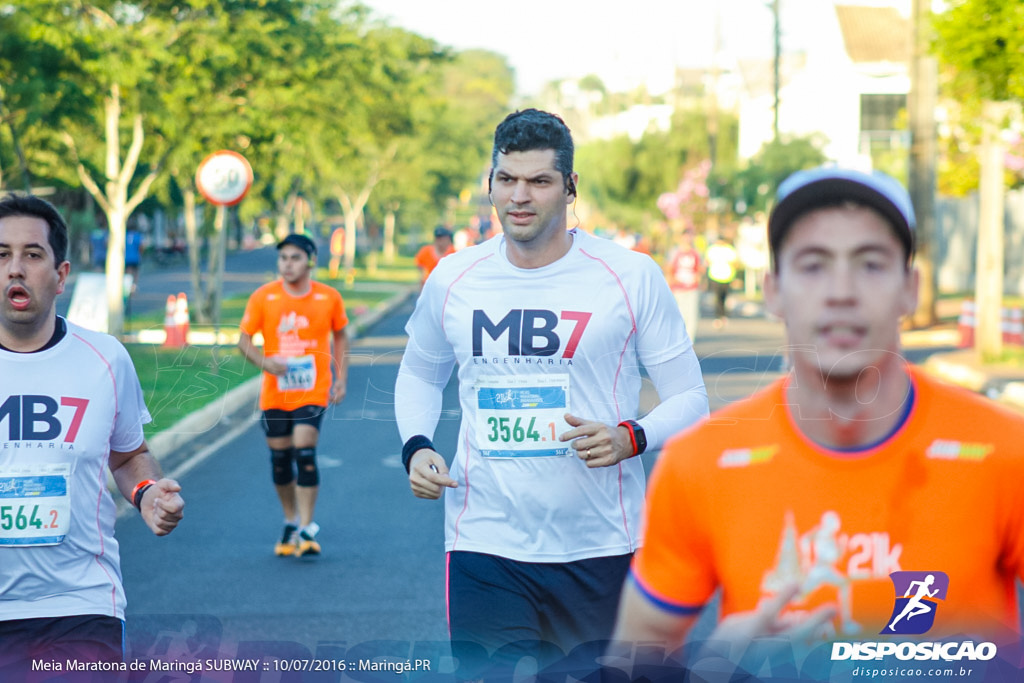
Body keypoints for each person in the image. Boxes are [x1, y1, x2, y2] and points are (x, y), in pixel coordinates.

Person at [612, 167, 1024, 669]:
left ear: (911, 289)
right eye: (812, 265)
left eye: (871, 264)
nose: (841, 291)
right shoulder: (699, 465)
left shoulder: (1005, 450)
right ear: (773, 291)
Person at [394, 109, 709, 677]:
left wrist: (630, 436)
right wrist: (416, 446)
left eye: (539, 181)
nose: (520, 196)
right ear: (489, 183)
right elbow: (420, 372)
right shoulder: (454, 277)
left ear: (570, 188)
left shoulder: (629, 274)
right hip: (484, 542)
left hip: (602, 546)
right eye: (507, 179)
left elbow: (691, 399)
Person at [0, 194, 185, 672]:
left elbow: (127, 457)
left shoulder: (103, 359)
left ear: (61, 276)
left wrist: (147, 494)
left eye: (31, 254)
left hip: (80, 604)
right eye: (1, 255)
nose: (15, 268)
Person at [238, 233, 349, 558]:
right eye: (283, 258)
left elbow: (341, 336)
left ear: (310, 261)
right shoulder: (264, 297)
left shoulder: (328, 298)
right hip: (276, 393)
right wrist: (265, 362)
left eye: (295, 258)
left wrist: (340, 379)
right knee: (281, 462)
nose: (288, 264)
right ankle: (289, 519)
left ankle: (306, 526)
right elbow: (243, 339)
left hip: (313, 389)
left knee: (305, 452)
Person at [665, 230, 703, 342]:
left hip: (692, 288)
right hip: (677, 288)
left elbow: (700, 269)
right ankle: (678, 339)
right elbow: (669, 268)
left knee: (691, 314)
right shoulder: (674, 252)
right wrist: (671, 281)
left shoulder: (696, 253)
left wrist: (698, 278)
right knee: (679, 314)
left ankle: (690, 341)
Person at [704, 233, 738, 327]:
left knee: (724, 297)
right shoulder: (712, 249)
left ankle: (723, 315)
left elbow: (734, 263)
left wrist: (735, 278)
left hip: (727, 276)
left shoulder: (729, 249)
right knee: (717, 297)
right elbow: (708, 261)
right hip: (715, 276)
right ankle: (718, 316)